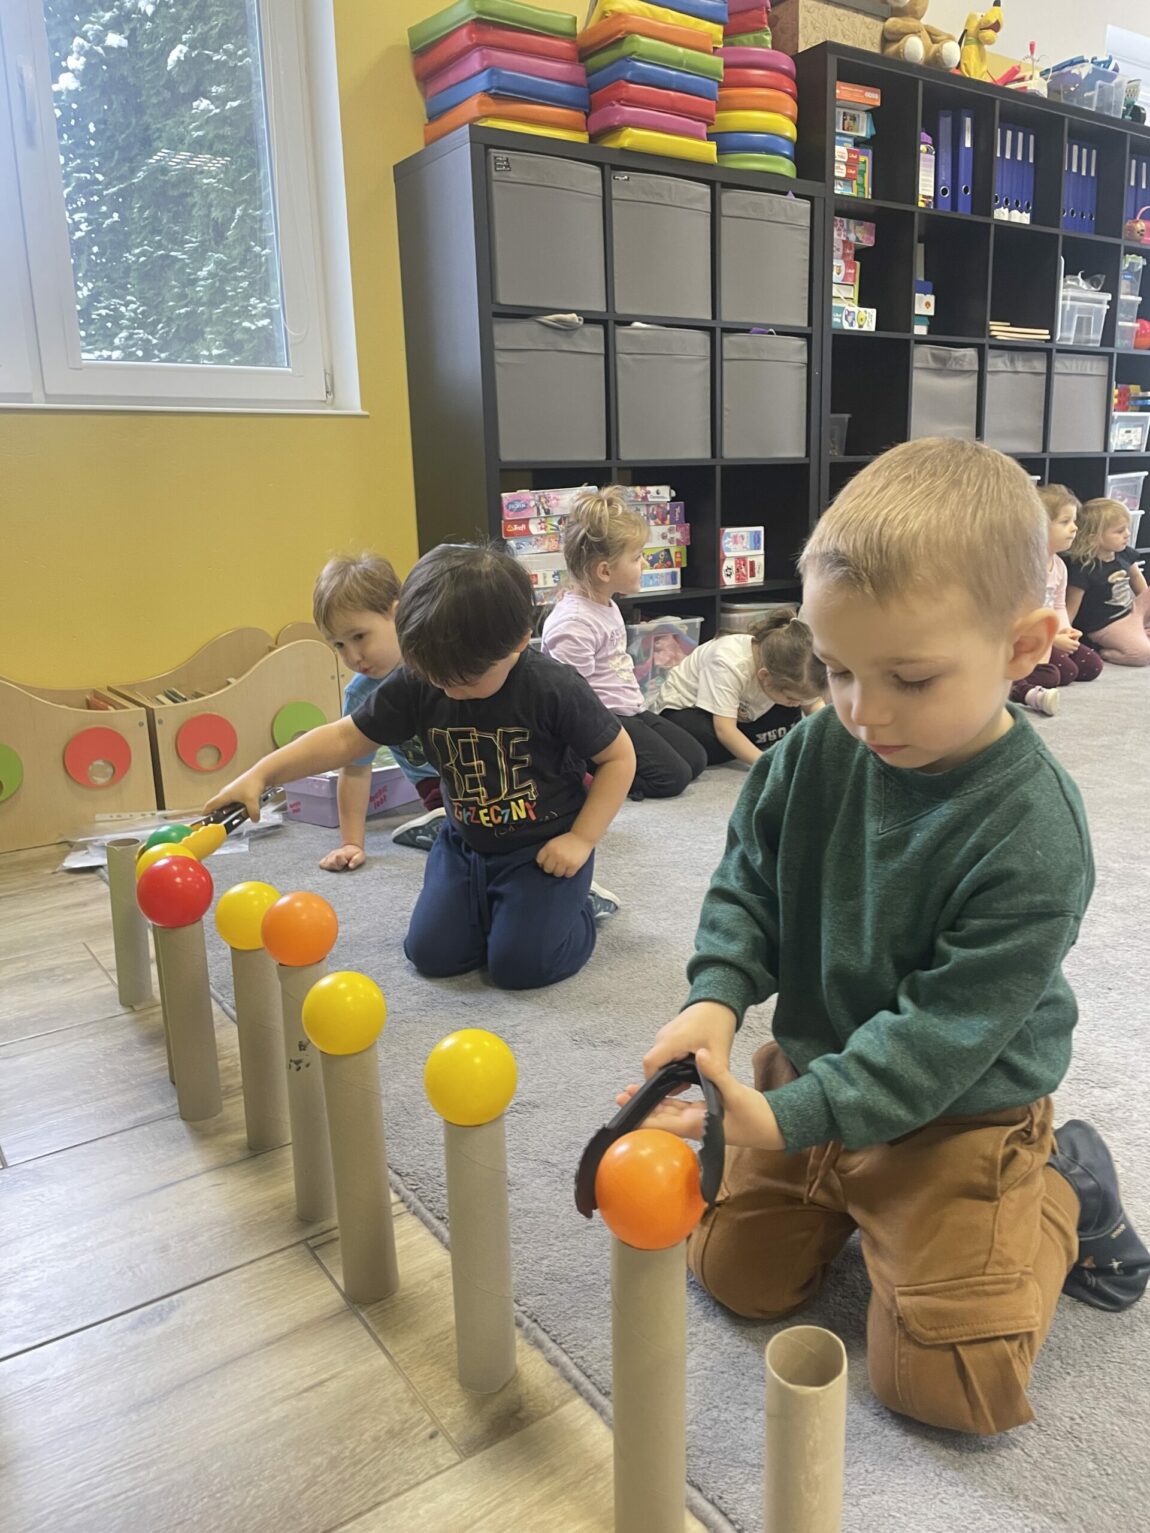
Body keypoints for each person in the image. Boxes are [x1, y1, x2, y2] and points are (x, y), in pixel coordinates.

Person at [618, 439, 1148, 1436]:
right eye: (837, 670)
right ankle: (860, 1194)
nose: (863, 712)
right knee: (735, 1279)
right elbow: (749, 879)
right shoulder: (823, 743)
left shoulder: (1034, 832)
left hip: (959, 1110)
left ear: (1026, 646)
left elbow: (942, 1033)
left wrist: (783, 1121)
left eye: (908, 677)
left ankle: (1058, 1195)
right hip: (820, 1065)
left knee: (946, 1393)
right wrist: (714, 995)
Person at [210, 544, 635, 991]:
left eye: (466, 679)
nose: (449, 689)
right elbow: (343, 738)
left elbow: (618, 757)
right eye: (437, 678)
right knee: (432, 956)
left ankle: (580, 907)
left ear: (516, 641)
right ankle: (507, 908)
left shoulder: (552, 687)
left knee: (520, 968)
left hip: (544, 851)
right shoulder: (421, 675)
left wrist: (581, 839)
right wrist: (259, 774)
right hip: (465, 845)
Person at [541, 487, 706, 799]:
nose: (643, 564)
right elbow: (570, 702)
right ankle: (596, 779)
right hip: (601, 722)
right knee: (672, 779)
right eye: (636, 558)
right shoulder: (573, 623)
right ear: (605, 570)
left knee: (695, 759)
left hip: (629, 709)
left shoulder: (606, 603)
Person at [312, 554, 446, 867]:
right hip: (434, 787)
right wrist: (351, 844)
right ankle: (446, 827)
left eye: (359, 636)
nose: (353, 656)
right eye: (339, 645)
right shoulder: (361, 694)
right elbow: (355, 770)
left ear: (397, 614)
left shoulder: (441, 662)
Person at [653, 609, 826, 767]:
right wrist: (767, 763)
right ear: (765, 676)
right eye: (792, 697)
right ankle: (752, 741)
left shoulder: (797, 668)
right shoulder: (728, 661)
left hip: (742, 713)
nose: (797, 703)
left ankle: (749, 741)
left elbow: (815, 706)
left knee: (790, 713)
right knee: (703, 741)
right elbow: (724, 729)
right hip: (690, 710)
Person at [1008, 486, 1104, 715]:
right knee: (1058, 674)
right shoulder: (1025, 568)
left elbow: (1059, 605)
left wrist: (1066, 631)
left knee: (1092, 665)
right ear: (1039, 527)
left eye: (1074, 521)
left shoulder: (1059, 565)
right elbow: (1019, 619)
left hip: (1049, 634)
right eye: (1065, 522)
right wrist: (1051, 641)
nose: (1075, 528)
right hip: (1025, 638)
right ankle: (1015, 687)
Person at [1064, 498, 1150, 667]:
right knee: (1142, 654)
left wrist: (1145, 605)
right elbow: (1070, 607)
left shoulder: (1124, 553)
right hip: (1107, 623)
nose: (1128, 534)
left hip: (1131, 611)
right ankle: (1105, 651)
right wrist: (1067, 632)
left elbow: (1136, 578)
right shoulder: (1083, 569)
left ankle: (1141, 630)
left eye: (1127, 528)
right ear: (1093, 538)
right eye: (1119, 531)